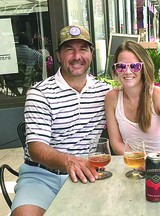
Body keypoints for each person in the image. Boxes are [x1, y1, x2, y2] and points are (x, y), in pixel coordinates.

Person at [11, 25, 111, 215]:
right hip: (41, 177)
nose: (76, 56)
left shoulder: (104, 92)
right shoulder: (39, 93)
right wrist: (68, 161)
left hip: (87, 174)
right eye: (69, 49)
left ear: (91, 53)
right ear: (58, 55)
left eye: (82, 49)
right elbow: (36, 149)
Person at [105, 40, 160, 160]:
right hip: (130, 165)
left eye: (135, 66)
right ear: (115, 70)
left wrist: (151, 161)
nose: (128, 71)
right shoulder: (111, 98)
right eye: (121, 66)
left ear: (143, 68)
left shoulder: (159, 96)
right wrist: (138, 160)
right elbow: (116, 144)